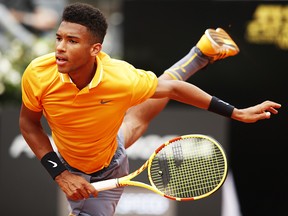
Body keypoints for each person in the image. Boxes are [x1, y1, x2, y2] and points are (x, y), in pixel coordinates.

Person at [19, 2, 281, 216]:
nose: (60, 48)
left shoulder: (121, 79)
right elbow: (29, 124)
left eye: (72, 41)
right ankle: (200, 53)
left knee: (142, 111)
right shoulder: (39, 74)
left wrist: (235, 112)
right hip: (75, 161)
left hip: (109, 164)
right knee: (135, 121)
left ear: (95, 49)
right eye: (59, 38)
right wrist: (60, 173)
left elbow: (174, 90)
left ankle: (200, 54)